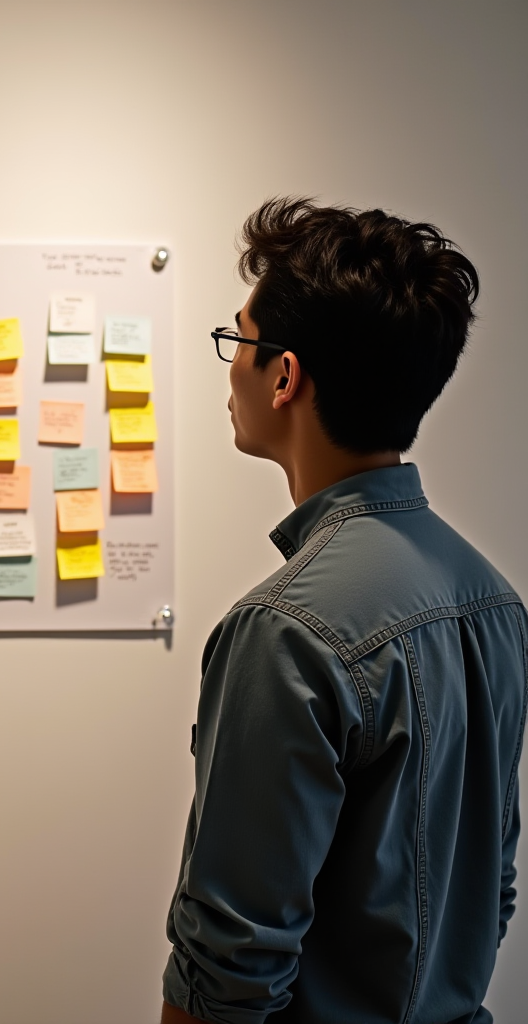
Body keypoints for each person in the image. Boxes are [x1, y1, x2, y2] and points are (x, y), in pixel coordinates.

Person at [161, 199, 526, 1024]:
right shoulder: (496, 600)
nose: (230, 368)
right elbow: (488, 890)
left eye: (239, 343)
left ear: (284, 375)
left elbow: (230, 963)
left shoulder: (286, 631)